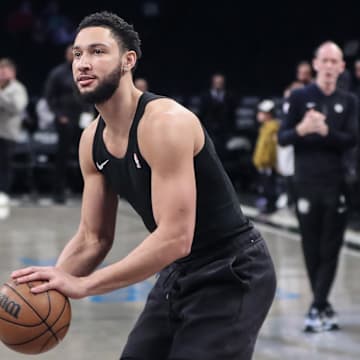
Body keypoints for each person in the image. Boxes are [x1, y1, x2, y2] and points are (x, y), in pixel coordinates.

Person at [12, 12, 276, 359]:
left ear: (128, 61)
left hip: (231, 269)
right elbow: (94, 238)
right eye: (77, 54)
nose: (83, 63)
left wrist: (85, 285)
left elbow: (175, 238)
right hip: (179, 274)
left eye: (97, 52)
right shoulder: (91, 140)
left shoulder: (166, 123)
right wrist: (53, 281)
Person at [278, 41, 358, 333]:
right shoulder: (300, 97)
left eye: (333, 61)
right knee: (311, 246)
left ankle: (318, 305)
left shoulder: (348, 100)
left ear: (341, 67)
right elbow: (283, 137)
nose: (328, 66)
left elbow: (351, 140)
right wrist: (302, 129)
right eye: (323, 60)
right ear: (315, 64)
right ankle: (321, 304)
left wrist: (326, 131)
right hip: (305, 181)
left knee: (331, 246)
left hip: (335, 182)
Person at [44, 43, 93, 204]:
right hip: (64, 119)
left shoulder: (86, 70)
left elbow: (91, 91)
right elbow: (50, 97)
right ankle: (58, 192)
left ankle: (84, 190)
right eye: (72, 53)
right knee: (62, 156)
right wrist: (59, 115)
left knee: (86, 155)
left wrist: (88, 111)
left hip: (82, 118)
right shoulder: (58, 73)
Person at [0, 58, 29, 206]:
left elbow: (17, 108)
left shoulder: (18, 89)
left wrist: (1, 95)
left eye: (5, 71)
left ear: (12, 72)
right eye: (1, 70)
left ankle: (4, 193)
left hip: (8, 133)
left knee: (5, 165)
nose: (2, 74)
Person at [198, 72, 236, 160]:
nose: (219, 84)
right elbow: (202, 113)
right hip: (209, 129)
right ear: (213, 83)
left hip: (225, 130)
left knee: (223, 153)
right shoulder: (205, 96)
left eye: (220, 82)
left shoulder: (230, 96)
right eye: (217, 82)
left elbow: (232, 115)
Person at [252, 99, 280, 214]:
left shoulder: (273, 128)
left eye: (262, 112)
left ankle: (270, 207)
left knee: (269, 187)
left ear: (268, 114)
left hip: (268, 164)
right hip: (262, 164)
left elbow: (272, 149)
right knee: (264, 186)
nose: (259, 115)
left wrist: (269, 162)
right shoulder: (264, 128)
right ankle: (266, 205)